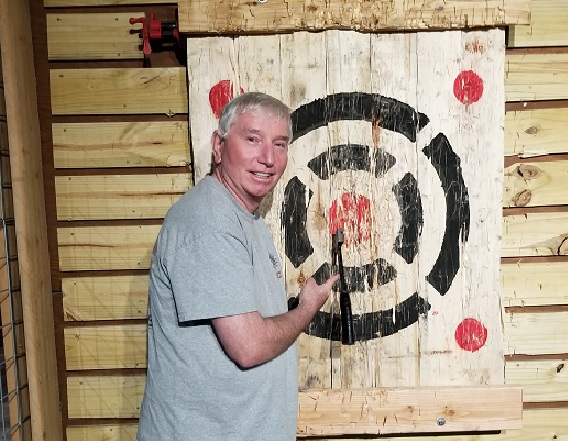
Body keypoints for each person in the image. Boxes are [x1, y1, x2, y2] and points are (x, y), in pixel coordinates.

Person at [136, 92, 339, 441]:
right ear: (218, 146)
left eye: (279, 144)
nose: (268, 158)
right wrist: (307, 308)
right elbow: (250, 347)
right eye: (252, 139)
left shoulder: (242, 217)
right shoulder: (210, 223)